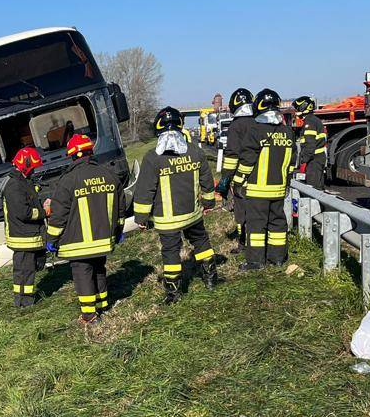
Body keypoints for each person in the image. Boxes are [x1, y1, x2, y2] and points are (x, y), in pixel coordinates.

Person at [133, 107, 218, 304]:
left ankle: (174, 293)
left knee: (170, 253)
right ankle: (211, 278)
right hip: (193, 214)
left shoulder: (153, 158)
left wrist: (141, 218)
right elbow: (206, 179)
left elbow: (145, 190)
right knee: (202, 242)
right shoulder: (195, 151)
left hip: (167, 220)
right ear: (181, 126)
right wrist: (209, 202)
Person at [45, 133, 124, 324]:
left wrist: (51, 239)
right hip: (103, 240)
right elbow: (119, 209)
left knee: (83, 274)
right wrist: (118, 232)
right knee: (99, 269)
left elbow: (58, 215)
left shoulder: (68, 180)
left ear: (72, 155)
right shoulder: (109, 175)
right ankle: (103, 304)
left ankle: (89, 315)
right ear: (91, 151)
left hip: (78, 243)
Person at [236, 88, 296, 270]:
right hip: (279, 189)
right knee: (277, 223)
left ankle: (255, 262)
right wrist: (286, 182)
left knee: (256, 226)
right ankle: (277, 258)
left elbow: (247, 160)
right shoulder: (287, 132)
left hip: (257, 190)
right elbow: (291, 162)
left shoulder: (255, 130)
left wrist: (238, 181)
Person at [3, 147, 47, 307]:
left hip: (27, 235)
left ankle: (22, 300)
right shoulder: (14, 186)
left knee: (25, 270)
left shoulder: (21, 182)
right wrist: (44, 212)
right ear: (25, 165)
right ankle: (25, 302)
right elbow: (24, 213)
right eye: (33, 167)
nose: (34, 171)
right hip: (23, 237)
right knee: (25, 271)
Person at [216, 88, 255, 254]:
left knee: (241, 212)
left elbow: (232, 157)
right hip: (261, 177)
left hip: (242, 179)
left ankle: (243, 243)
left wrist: (225, 181)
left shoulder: (236, 126)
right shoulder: (259, 123)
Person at [292, 96, 328, 190]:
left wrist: (304, 160)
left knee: (313, 188)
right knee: (318, 187)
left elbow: (310, 144)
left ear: (304, 107)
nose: (297, 110)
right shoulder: (312, 120)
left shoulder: (309, 122)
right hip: (316, 158)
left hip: (314, 160)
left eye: (298, 108)